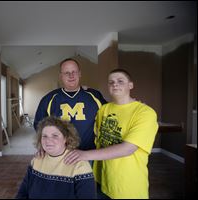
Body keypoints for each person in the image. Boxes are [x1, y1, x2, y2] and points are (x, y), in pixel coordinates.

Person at [64, 69, 159, 199]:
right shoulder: (104, 109)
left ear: (130, 85)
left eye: (120, 81)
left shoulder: (145, 113)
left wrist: (84, 155)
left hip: (127, 186)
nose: (115, 84)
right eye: (111, 82)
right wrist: (85, 90)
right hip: (102, 180)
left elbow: (128, 148)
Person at [33, 58, 107, 151]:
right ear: (61, 76)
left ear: (79, 73)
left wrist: (129, 102)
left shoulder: (95, 96)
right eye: (66, 73)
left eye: (74, 72)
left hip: (90, 153)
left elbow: (112, 113)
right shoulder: (49, 99)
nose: (71, 75)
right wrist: (44, 148)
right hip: (61, 155)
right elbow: (39, 127)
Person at [16, 116, 96, 199]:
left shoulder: (80, 166)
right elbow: (23, 192)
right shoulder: (37, 159)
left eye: (55, 135)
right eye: (44, 136)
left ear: (66, 138)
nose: (48, 140)